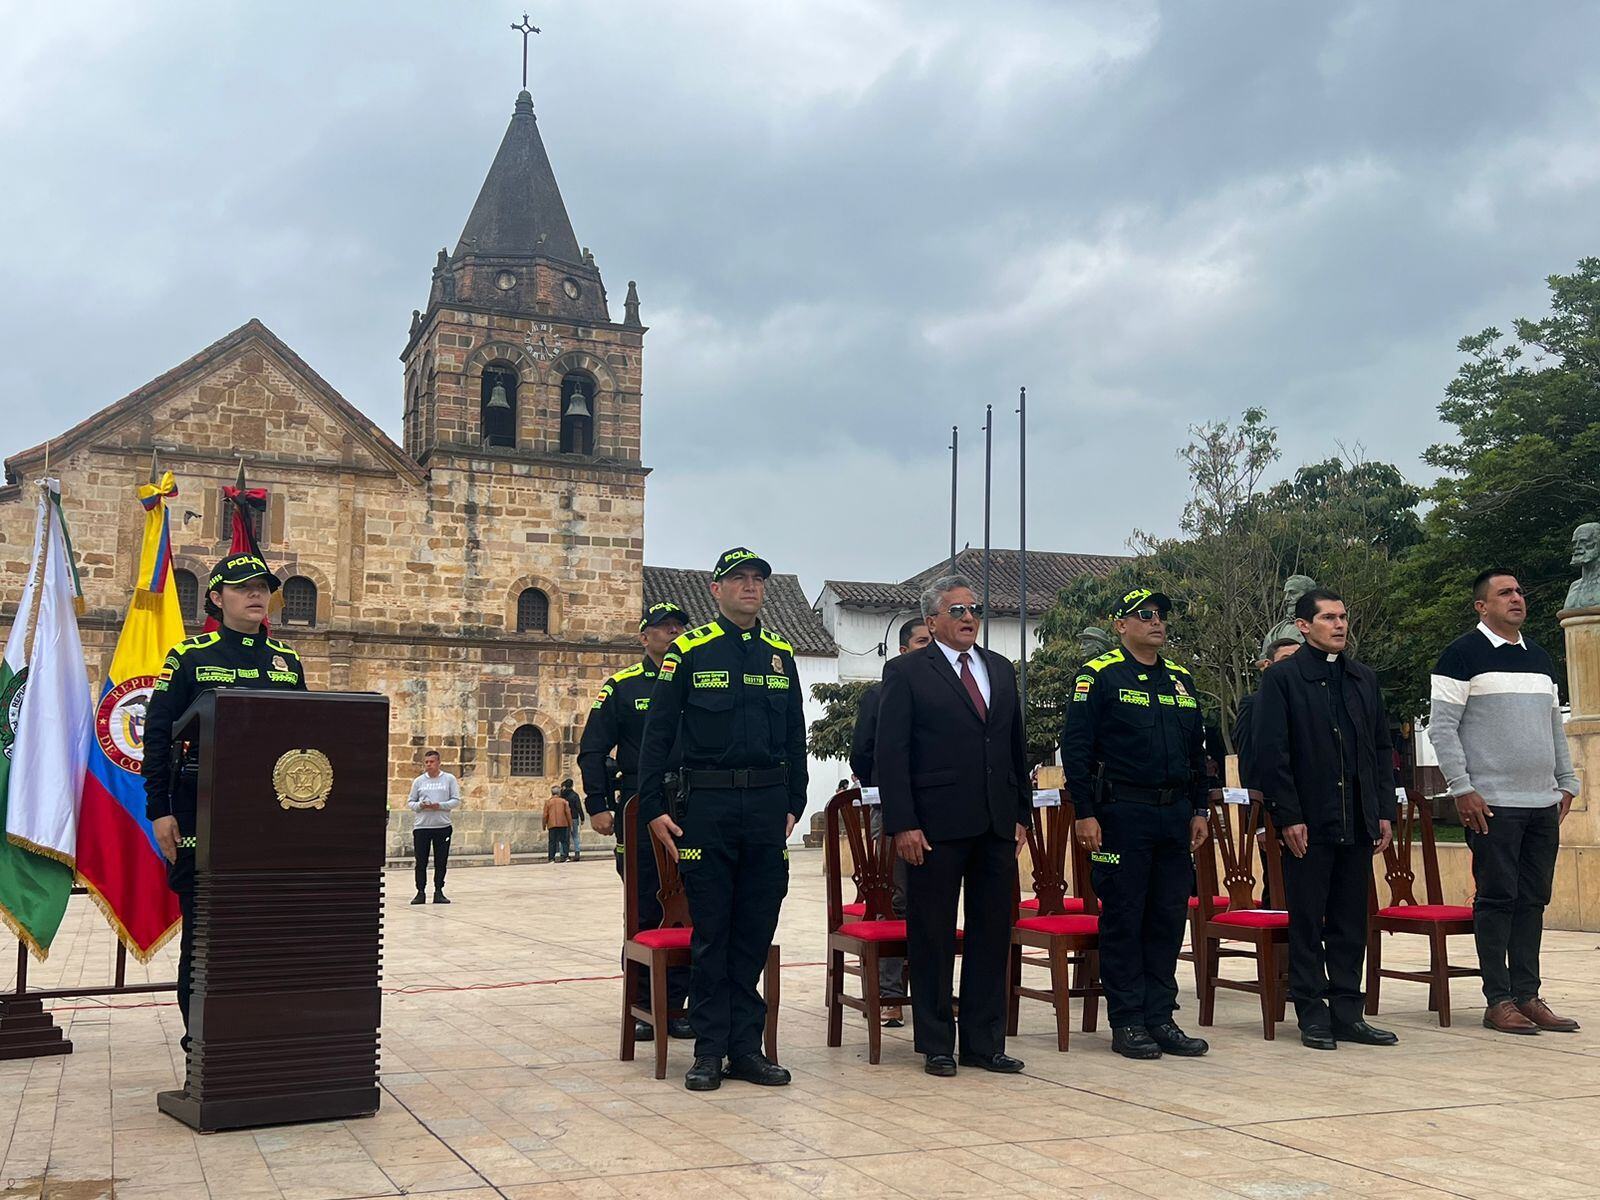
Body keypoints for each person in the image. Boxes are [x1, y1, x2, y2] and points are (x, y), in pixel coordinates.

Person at [638, 547, 807, 1091]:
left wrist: (796, 800)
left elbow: (795, 734)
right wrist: (653, 806)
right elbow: (658, 733)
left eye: (757, 579)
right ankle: (709, 1051)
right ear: (716, 590)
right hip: (708, 807)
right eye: (739, 579)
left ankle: (746, 1050)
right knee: (712, 932)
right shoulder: (689, 650)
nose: (750, 586)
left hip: (766, 806)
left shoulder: (780, 653)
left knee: (755, 929)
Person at [142, 553, 307, 1055]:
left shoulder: (287, 660)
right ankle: (203, 1042)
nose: (256, 595)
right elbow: (157, 737)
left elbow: (310, 734)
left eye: (263, 587)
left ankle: (260, 1035)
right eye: (242, 588)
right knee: (207, 933)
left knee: (267, 932)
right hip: (203, 814)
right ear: (216, 598)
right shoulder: (189, 657)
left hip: (273, 819)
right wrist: (159, 809)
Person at [876, 578, 1029, 1078]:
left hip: (995, 822)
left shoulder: (999, 668)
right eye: (957, 610)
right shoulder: (906, 671)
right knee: (933, 934)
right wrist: (903, 823)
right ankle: (937, 1042)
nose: (968, 617)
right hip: (934, 826)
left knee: (991, 933)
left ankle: (984, 1042)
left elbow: (1014, 745)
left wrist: (1021, 814)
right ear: (932, 620)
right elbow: (892, 753)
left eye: (974, 608)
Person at [1059, 587, 1211, 1061]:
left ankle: (1161, 1017)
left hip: (1174, 815)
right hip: (1120, 815)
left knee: (1168, 916)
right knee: (1125, 916)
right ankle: (1127, 1020)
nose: (1156, 622)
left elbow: (1197, 753)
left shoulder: (1181, 679)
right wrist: (1085, 812)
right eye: (1144, 615)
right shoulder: (1098, 676)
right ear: (1121, 625)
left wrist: (1200, 809)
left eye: (1161, 614)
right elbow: (1076, 751)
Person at [1429, 568, 1581, 1035]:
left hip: (1542, 801)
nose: (1516, 598)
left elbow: (1553, 725)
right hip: (1490, 802)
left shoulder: (1540, 658)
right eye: (1505, 593)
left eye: (1519, 592)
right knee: (1497, 898)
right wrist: (1462, 788)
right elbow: (1442, 728)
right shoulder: (1461, 655)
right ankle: (1498, 1000)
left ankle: (1528, 996)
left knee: (1533, 899)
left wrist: (1566, 781)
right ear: (1482, 606)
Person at [1253, 587, 1397, 1051]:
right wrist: (1288, 815)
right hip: (1308, 822)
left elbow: (1380, 748)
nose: (1339, 625)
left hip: (1357, 819)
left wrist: (1383, 811)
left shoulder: (1362, 677)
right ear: (1303, 626)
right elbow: (1273, 752)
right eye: (1329, 618)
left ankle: (1349, 1013)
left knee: (1351, 921)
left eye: (1343, 617)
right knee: (1308, 921)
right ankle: (1312, 1013)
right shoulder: (1283, 679)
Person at [577, 600, 693, 1042]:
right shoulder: (623, 687)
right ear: (645, 637)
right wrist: (597, 803)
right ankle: (644, 1002)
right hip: (639, 804)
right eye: (664, 628)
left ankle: (679, 1004)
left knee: (694, 902)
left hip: (693, 802)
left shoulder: (697, 679)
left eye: (679, 627)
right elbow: (593, 749)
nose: (673, 633)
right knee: (646, 901)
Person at [849, 615, 932, 1029]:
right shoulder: (880, 694)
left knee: (934, 903)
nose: (929, 648)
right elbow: (862, 753)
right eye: (921, 642)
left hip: (941, 811)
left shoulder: (951, 690)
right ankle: (890, 994)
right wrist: (886, 791)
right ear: (902, 651)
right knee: (893, 901)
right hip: (893, 810)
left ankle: (933, 993)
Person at [1235, 638, 1301, 907]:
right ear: (1266, 666)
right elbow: (1250, 764)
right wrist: (1260, 823)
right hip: (1275, 817)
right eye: (1286, 659)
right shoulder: (1254, 704)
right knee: (1279, 889)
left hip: (1316, 816)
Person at [407, 749, 460, 904]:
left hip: (442, 826)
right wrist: (420, 805)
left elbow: (456, 800)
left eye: (432, 762)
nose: (429, 765)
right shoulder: (419, 781)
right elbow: (410, 802)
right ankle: (420, 892)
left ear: (438, 762)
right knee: (421, 862)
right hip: (422, 827)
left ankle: (439, 891)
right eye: (426, 762)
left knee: (441, 861)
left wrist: (440, 805)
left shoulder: (449, 779)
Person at [544, 785, 572, 862]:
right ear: (559, 793)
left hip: (552, 824)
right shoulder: (564, 802)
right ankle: (566, 856)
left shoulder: (548, 802)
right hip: (563, 823)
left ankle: (551, 858)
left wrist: (544, 824)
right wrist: (570, 824)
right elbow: (568, 813)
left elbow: (545, 815)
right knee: (564, 841)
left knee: (552, 842)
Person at [561, 777, 584, 861]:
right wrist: (582, 817)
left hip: (564, 818)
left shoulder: (562, 795)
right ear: (572, 785)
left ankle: (563, 854)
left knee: (563, 837)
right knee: (575, 836)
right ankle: (577, 853)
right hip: (574, 817)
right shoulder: (575, 795)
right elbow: (578, 807)